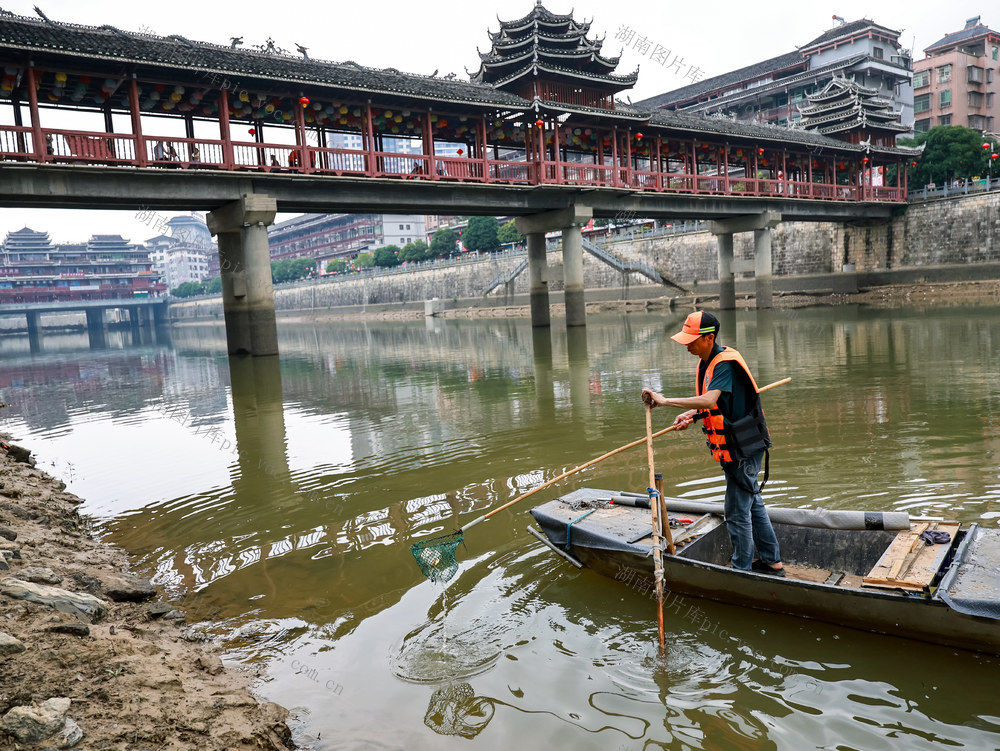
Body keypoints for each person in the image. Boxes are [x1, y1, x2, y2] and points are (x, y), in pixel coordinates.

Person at [641, 311, 784, 576]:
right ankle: (772, 560)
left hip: (744, 449)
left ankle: (741, 569)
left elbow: (709, 400)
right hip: (735, 447)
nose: (687, 344)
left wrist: (665, 401)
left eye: (692, 339)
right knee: (752, 502)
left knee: (737, 511)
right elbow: (716, 406)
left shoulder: (724, 364)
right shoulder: (707, 362)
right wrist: (692, 416)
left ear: (709, 338)